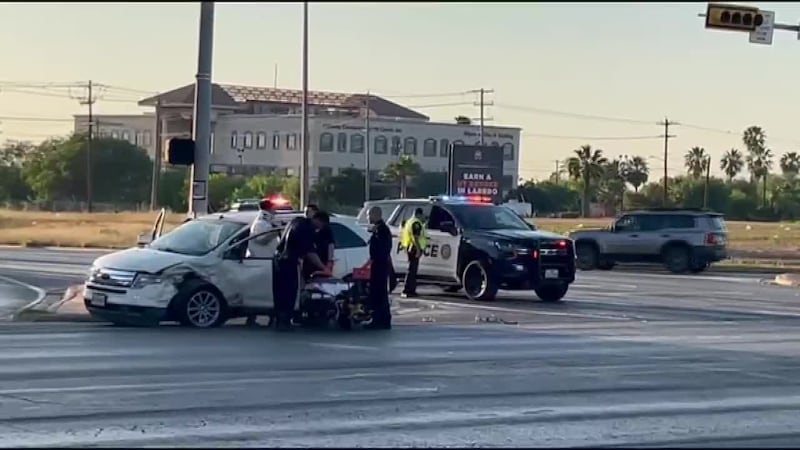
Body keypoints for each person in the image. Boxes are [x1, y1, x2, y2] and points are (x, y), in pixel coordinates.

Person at [272, 212, 327, 332]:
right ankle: (285, 321)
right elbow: (310, 252)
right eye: (321, 226)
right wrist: (324, 268)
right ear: (318, 220)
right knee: (289, 291)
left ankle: (279, 319)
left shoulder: (296, 221)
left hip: (278, 259)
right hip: (288, 261)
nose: (319, 229)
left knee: (279, 291)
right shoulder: (307, 229)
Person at [244, 197, 279, 326]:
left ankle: (270, 318)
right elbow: (261, 240)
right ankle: (252, 318)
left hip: (267, 261)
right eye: (273, 208)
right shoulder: (261, 223)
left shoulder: (267, 222)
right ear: (269, 208)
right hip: (261, 261)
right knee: (263, 291)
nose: (275, 211)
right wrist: (275, 232)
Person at [366, 206, 393, 330]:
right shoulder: (380, 229)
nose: (368, 218)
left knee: (379, 293)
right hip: (379, 265)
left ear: (376, 215)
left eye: (369, 215)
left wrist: (372, 261)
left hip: (379, 266)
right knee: (379, 293)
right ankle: (381, 319)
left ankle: (380, 320)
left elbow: (380, 250)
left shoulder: (381, 230)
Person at [400, 207, 427, 298]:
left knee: (412, 270)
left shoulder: (409, 221)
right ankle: (407, 290)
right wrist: (419, 249)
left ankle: (410, 290)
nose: (423, 217)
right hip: (414, 249)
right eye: (422, 215)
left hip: (410, 248)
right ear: (419, 214)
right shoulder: (416, 223)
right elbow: (415, 237)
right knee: (412, 270)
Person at [311, 210, 335, 275]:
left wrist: (329, 262)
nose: (321, 227)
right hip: (312, 264)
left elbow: (331, 244)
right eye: (322, 224)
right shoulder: (308, 229)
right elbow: (310, 252)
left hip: (323, 262)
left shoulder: (326, 230)